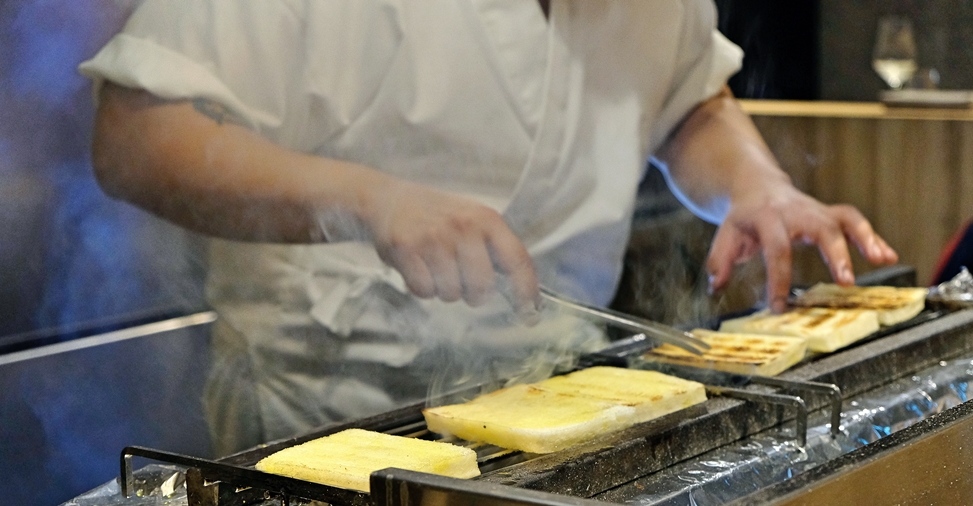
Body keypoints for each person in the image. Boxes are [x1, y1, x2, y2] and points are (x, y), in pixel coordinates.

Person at [80, 0, 898, 455]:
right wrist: (375, 201)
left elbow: (687, 101)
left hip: (570, 402)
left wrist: (757, 185)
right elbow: (136, 136)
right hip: (328, 413)